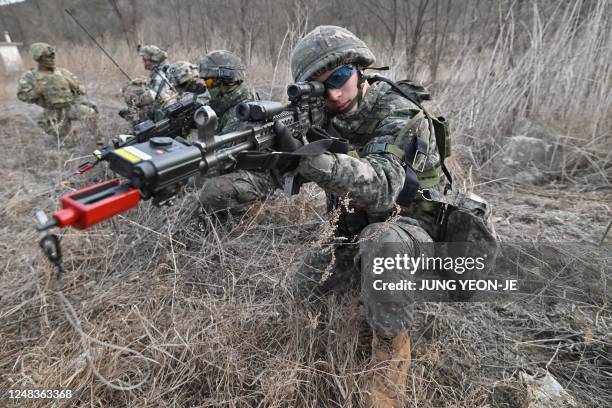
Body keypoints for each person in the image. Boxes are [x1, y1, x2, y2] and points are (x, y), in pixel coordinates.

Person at [283, 25, 494, 407]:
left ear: (359, 69)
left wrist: (306, 161)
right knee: (298, 294)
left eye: (341, 78)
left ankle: (389, 362)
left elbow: (382, 186)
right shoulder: (320, 110)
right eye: (318, 86)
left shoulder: (400, 113)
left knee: (382, 243)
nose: (333, 93)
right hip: (351, 230)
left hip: (414, 230)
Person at [192, 50, 279, 219]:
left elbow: (221, 161)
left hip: (258, 175)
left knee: (211, 190)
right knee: (193, 179)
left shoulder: (242, 110)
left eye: (209, 82)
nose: (207, 88)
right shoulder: (226, 103)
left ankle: (252, 216)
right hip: (239, 167)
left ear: (226, 81)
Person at [17, 42, 98, 143]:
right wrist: (36, 92)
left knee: (91, 114)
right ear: (38, 58)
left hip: (70, 106)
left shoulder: (62, 72)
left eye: (53, 56)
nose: (52, 59)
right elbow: (22, 95)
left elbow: (82, 89)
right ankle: (68, 137)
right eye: (48, 57)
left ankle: (97, 138)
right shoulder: (30, 76)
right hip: (53, 112)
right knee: (67, 142)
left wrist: (75, 86)